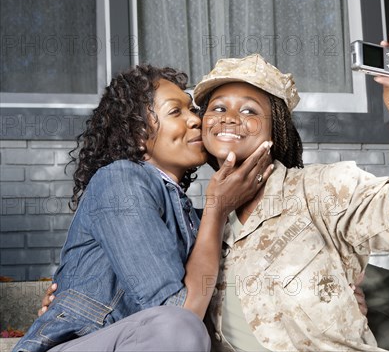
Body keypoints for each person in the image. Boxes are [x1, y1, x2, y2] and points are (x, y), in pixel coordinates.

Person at [191, 34, 389, 351]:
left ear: (276, 128)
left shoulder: (321, 190)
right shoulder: (206, 229)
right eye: (218, 107)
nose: (229, 117)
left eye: (250, 111)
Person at [14, 64, 274, 352]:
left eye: (193, 109)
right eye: (176, 112)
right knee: (179, 326)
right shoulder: (120, 179)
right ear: (138, 134)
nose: (196, 121)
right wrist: (217, 207)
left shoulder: (188, 217)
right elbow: (182, 314)